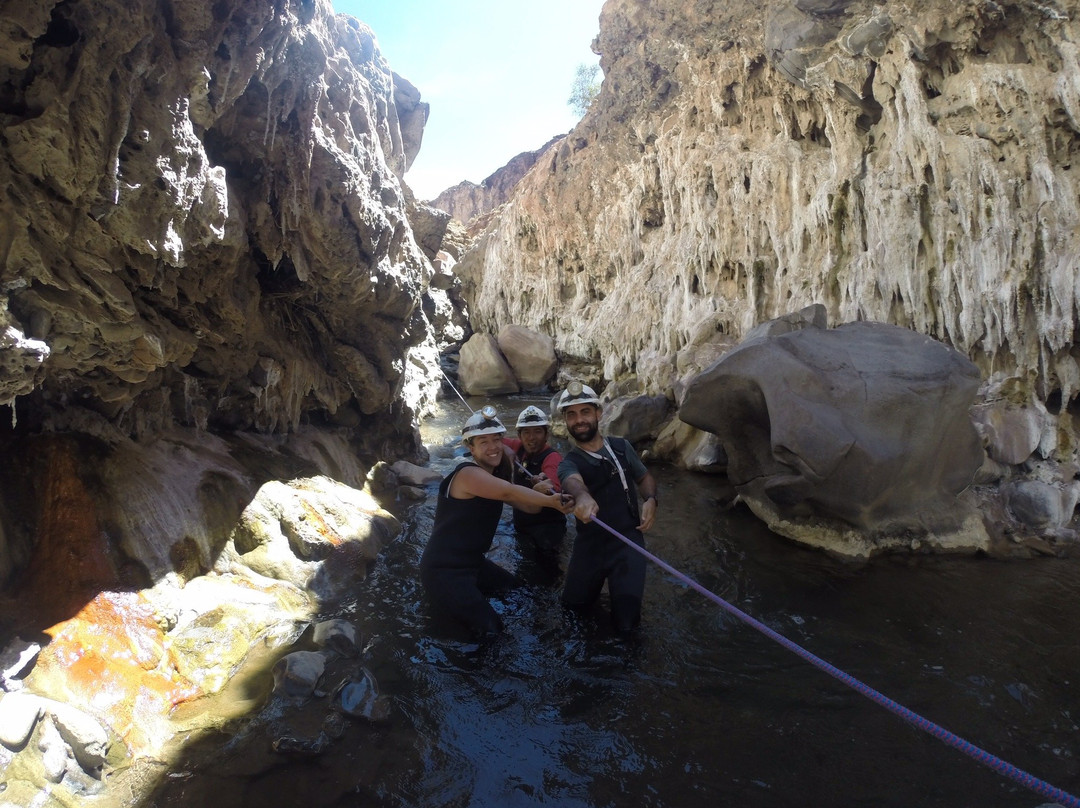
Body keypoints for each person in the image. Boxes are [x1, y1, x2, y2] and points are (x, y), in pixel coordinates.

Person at [420, 405, 575, 639]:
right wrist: (553, 501)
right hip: (445, 570)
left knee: (520, 593)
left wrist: (542, 493)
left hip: (474, 563)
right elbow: (508, 493)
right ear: (469, 447)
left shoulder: (496, 476)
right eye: (483, 442)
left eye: (496, 440)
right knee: (492, 630)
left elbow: (530, 507)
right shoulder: (467, 474)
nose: (493, 447)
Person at [556, 382, 658, 634]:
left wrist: (651, 499)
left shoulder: (622, 448)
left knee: (627, 625)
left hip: (628, 543)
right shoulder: (568, 463)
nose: (579, 420)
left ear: (598, 414)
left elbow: (644, 478)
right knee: (572, 611)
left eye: (585, 412)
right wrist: (582, 498)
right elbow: (572, 482)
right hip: (590, 547)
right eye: (571, 415)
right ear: (566, 422)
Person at [502, 405, 568, 569]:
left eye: (537, 431)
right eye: (526, 432)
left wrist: (544, 484)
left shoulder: (552, 457)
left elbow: (553, 483)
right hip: (522, 526)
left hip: (546, 530)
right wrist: (505, 449)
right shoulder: (518, 448)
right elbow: (490, 439)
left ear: (546, 434)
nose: (532, 438)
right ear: (519, 435)